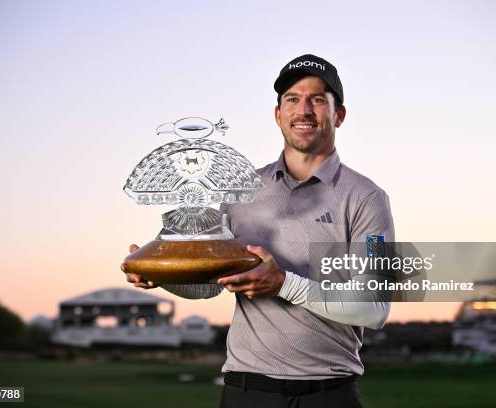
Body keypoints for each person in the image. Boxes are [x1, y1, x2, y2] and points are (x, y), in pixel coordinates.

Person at [122, 54, 395, 408]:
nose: (304, 110)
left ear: (338, 114)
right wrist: (162, 274)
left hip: (327, 393)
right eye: (292, 99)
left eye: (317, 99)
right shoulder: (241, 190)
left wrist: (284, 284)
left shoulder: (367, 198)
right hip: (246, 391)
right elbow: (210, 284)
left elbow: (374, 309)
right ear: (278, 114)